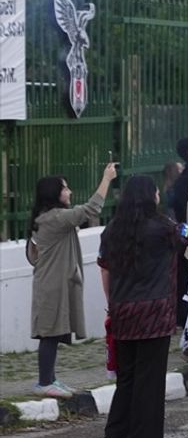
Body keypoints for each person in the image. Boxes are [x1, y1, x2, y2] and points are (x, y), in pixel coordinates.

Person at [98, 175, 188, 438]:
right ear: (151, 197)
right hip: (155, 312)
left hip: (123, 310)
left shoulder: (112, 230)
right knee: (149, 377)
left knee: (127, 376)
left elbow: (105, 269)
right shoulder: (164, 227)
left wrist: (113, 303)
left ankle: (116, 434)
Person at [28, 163, 118, 398]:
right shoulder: (54, 218)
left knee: (55, 331)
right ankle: (44, 382)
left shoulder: (52, 218)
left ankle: (50, 379)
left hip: (55, 283)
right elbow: (91, 209)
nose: (70, 192)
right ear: (54, 193)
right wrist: (106, 179)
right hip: (51, 285)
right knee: (49, 333)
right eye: (65, 188)